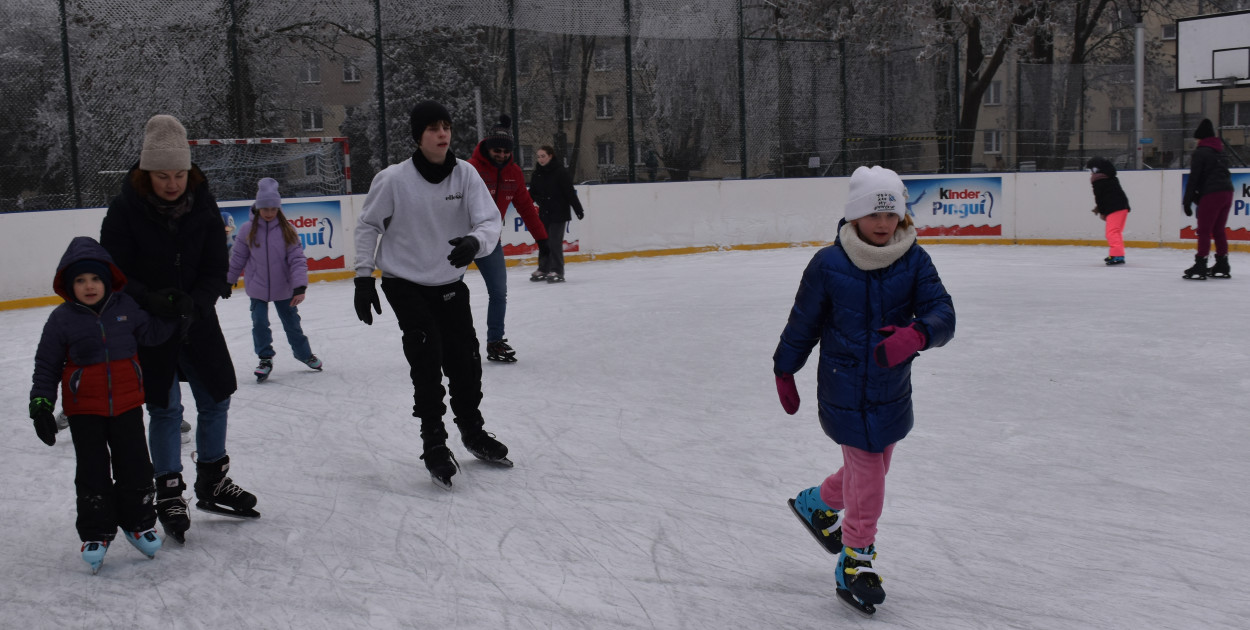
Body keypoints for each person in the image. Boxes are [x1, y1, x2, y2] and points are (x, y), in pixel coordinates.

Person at [773, 165, 955, 615]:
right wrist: (785, 366)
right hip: (844, 389)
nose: (882, 224)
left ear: (902, 218)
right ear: (855, 215)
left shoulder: (914, 259)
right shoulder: (829, 264)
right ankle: (856, 560)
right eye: (873, 214)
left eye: (890, 215)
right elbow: (804, 322)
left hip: (892, 389)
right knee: (870, 475)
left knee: (870, 471)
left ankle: (817, 503)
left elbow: (942, 311)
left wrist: (918, 335)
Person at [100, 114, 260, 545]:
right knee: (166, 406)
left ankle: (212, 480)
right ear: (145, 174)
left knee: (215, 397)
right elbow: (113, 270)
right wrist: (148, 298)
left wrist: (200, 299)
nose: (172, 184)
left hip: (196, 317)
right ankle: (169, 490)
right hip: (147, 322)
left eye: (179, 174)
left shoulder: (203, 203)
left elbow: (216, 265)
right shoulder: (124, 210)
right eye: (162, 176)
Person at [353, 100, 511, 489]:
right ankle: (434, 443)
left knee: (465, 360)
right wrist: (362, 278)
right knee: (427, 356)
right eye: (432, 129)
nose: (442, 134)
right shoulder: (393, 179)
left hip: (449, 283)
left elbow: (490, 220)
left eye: (446, 127)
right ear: (418, 136)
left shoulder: (467, 175)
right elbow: (368, 225)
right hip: (404, 283)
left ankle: (472, 432)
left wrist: (475, 242)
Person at [28, 236, 190, 572]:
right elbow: (46, 364)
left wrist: (176, 314)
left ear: (107, 280)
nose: (89, 286)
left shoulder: (126, 308)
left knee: (135, 467)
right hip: (84, 410)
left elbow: (151, 334)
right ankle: (96, 532)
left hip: (128, 405)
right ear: (69, 284)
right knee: (91, 472)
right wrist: (41, 404)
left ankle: (139, 523)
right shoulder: (62, 319)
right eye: (80, 280)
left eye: (95, 278)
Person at [466, 114, 550, 363]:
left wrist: (543, 240)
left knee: (499, 293)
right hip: (463, 241)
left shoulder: (514, 173)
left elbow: (525, 206)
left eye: (505, 151)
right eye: (497, 150)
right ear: (488, 148)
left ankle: (495, 342)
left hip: (490, 242)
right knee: (451, 293)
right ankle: (455, 341)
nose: (501, 155)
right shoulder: (471, 169)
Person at [224, 177, 323, 382]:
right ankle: (265, 358)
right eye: (265, 208)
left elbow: (297, 259)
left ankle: (304, 354)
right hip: (257, 287)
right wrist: (228, 280)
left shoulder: (287, 230)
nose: (269, 213)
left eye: (273, 209)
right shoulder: (246, 230)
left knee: (292, 324)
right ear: (258, 208)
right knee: (259, 323)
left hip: (284, 288)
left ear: (278, 208)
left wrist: (300, 286)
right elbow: (238, 258)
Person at [1182, 118, 1235, 279]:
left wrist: (1187, 200)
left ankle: (1201, 264)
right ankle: (1222, 264)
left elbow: (1194, 178)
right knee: (1218, 230)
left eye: (1197, 139)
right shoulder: (1221, 151)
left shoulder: (1201, 152)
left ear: (1201, 138)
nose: (1197, 142)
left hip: (1213, 194)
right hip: (1227, 192)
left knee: (1204, 230)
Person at [528, 145, 585, 283]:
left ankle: (557, 270)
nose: (540, 159)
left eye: (543, 156)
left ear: (550, 156)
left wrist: (578, 209)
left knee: (554, 242)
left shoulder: (560, 172)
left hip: (559, 212)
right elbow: (532, 193)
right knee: (544, 241)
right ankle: (544, 268)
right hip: (544, 213)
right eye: (539, 156)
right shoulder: (537, 173)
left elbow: (569, 192)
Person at [1086, 157, 1131, 266]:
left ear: (1096, 170)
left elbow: (1100, 198)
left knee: (1111, 232)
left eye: (1091, 170)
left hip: (1115, 208)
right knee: (1115, 232)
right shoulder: (1110, 177)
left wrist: (1101, 211)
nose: (1090, 173)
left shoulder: (1099, 181)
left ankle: (1117, 256)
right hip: (1121, 207)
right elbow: (1109, 195)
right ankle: (1118, 254)